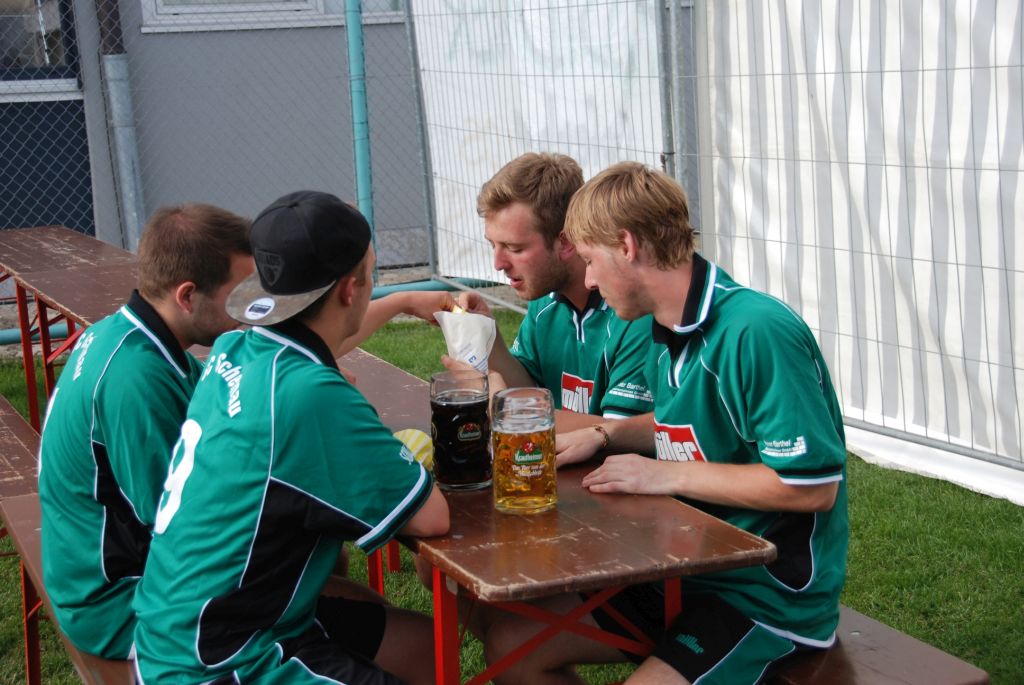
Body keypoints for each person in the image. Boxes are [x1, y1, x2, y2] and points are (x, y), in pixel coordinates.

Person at [481, 162, 849, 685]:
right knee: (511, 646)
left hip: (760, 595)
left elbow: (810, 485)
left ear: (626, 246)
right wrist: (607, 434)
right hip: (679, 572)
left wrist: (664, 474)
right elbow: (694, 423)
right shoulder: (664, 322)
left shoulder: (756, 331)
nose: (588, 278)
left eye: (591, 260)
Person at [132, 191, 449, 684]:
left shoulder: (235, 346)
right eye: (372, 273)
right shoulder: (309, 394)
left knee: (425, 649)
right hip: (221, 662)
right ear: (350, 289)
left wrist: (402, 302)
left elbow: (322, 340)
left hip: (180, 629)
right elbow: (431, 517)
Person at [37, 203, 254, 659]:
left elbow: (217, 413)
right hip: (118, 604)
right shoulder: (136, 379)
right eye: (239, 293)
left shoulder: (130, 334)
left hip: (112, 575)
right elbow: (181, 527)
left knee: (312, 562)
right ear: (187, 296)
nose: (249, 307)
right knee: (305, 565)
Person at [455, 152, 653, 418]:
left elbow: (615, 433)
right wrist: (487, 337)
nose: (498, 263)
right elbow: (527, 387)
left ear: (567, 242)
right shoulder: (545, 302)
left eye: (514, 248)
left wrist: (507, 407)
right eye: (492, 245)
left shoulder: (631, 311)